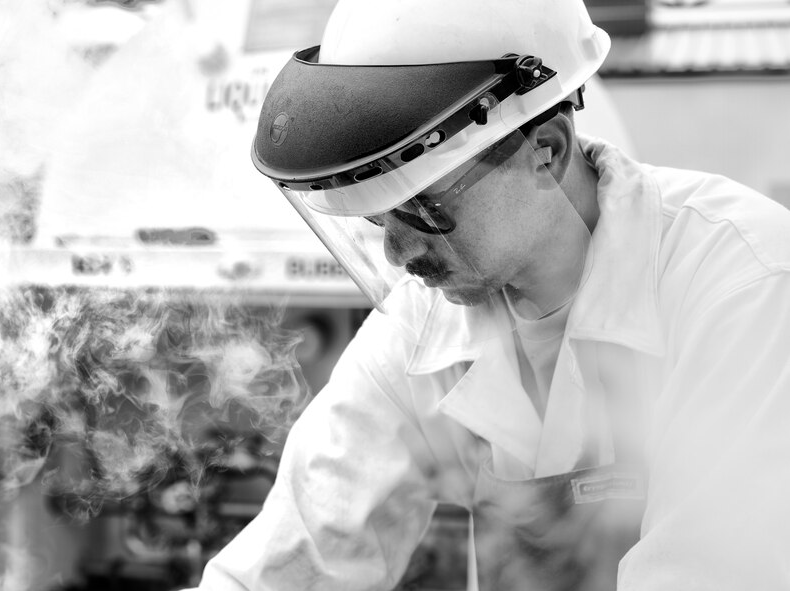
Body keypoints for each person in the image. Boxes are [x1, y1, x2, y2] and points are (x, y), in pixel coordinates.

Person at [194, 0, 790, 589]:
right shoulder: (421, 330)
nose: (396, 254)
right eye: (378, 219)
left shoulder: (744, 284)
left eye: (423, 207)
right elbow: (294, 561)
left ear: (546, 150)